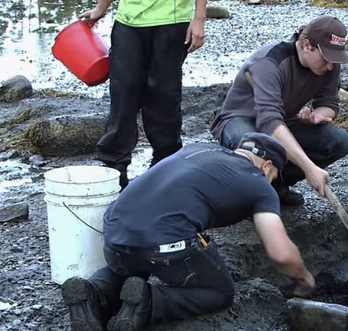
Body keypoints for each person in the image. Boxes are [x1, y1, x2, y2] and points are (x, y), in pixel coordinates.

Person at [61, 132, 316, 331]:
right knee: (219, 292)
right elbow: (281, 253)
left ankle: (94, 292)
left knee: (135, 259)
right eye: (273, 176)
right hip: (163, 243)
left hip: (115, 230)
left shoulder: (198, 148)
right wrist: (304, 278)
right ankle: (149, 302)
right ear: (267, 166)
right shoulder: (259, 184)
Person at [78, 0, 210, 188]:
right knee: (123, 93)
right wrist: (101, 8)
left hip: (171, 20)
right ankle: (115, 167)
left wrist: (199, 18)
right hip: (129, 19)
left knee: (162, 96)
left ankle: (165, 164)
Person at [210, 15, 348, 207]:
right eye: (326, 58)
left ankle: (277, 185)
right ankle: (250, 198)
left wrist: (318, 116)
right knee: (253, 148)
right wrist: (309, 168)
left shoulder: (330, 65)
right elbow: (268, 121)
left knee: (339, 141)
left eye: (335, 59)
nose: (330, 66)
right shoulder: (269, 62)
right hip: (240, 120)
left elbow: (329, 103)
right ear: (307, 45)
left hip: (283, 120)